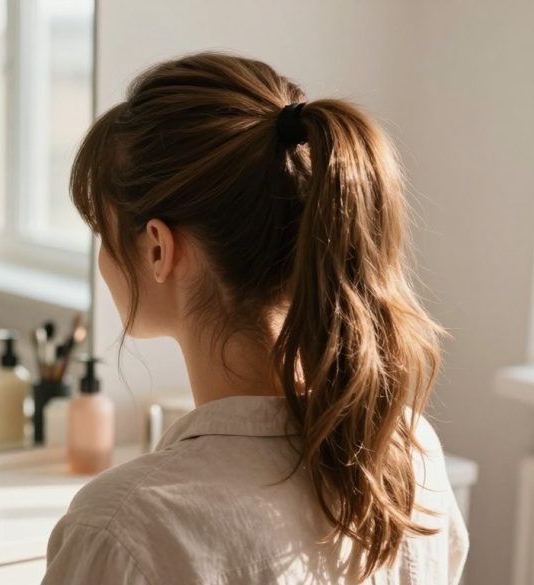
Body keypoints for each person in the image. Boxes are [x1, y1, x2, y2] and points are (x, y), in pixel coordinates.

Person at [43, 53, 468, 584]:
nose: (104, 260)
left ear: (157, 249)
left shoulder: (123, 527)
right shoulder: (406, 454)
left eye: (104, 234)